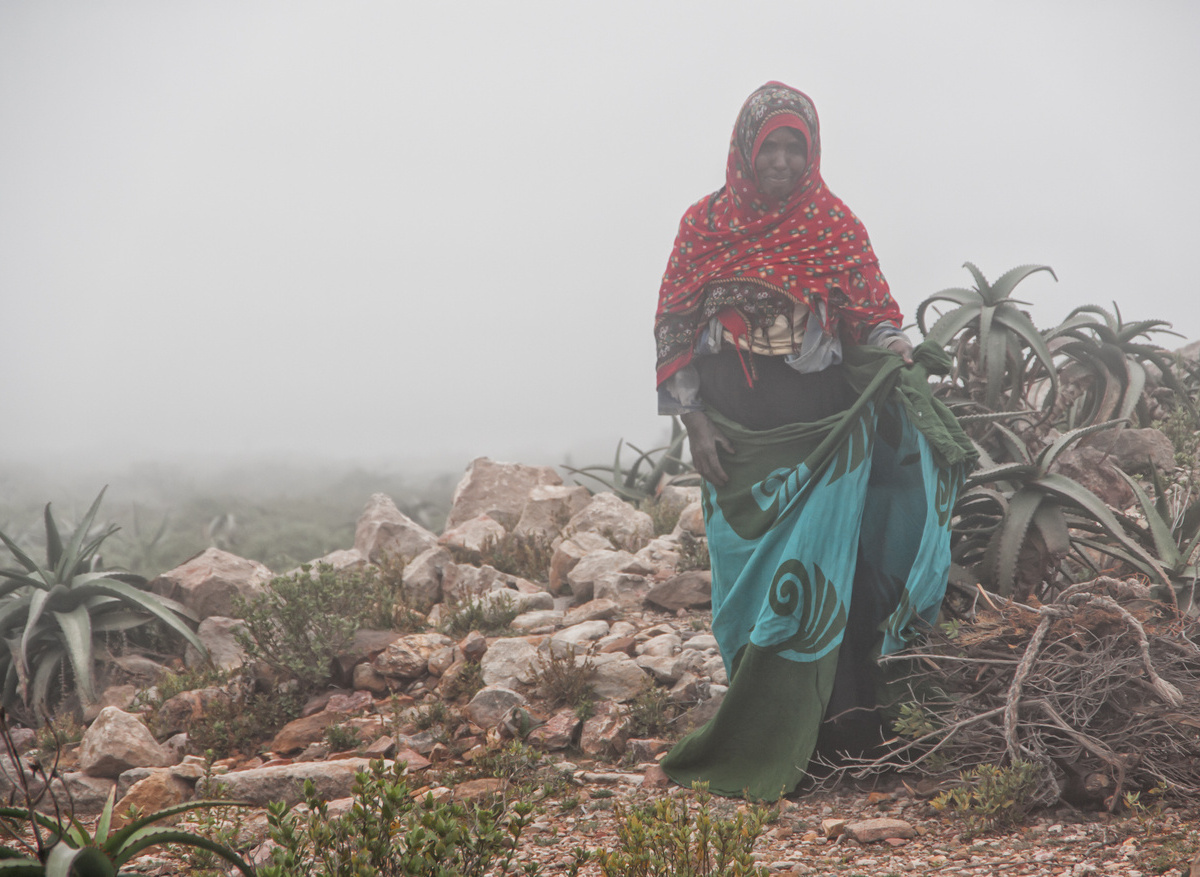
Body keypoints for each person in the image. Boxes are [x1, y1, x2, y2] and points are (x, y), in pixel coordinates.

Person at [654, 82, 975, 801]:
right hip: (737, 446)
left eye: (796, 145)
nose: (783, 159)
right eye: (771, 145)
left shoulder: (835, 224)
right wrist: (694, 422)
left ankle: (848, 736)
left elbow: (872, 313)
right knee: (751, 588)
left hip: (826, 440)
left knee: (835, 575)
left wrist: (897, 348)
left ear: (813, 152)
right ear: (745, 149)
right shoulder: (703, 225)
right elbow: (674, 327)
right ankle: (763, 731)